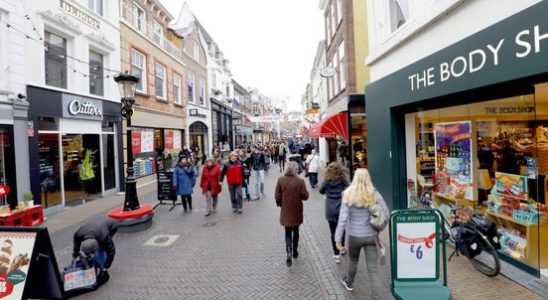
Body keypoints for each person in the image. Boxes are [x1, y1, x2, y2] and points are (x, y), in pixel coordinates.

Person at [335, 169, 389, 297]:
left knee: (353, 262)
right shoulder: (374, 194)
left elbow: (342, 219)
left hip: (354, 236)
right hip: (371, 236)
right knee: (373, 269)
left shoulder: (347, 194)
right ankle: (377, 296)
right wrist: (380, 227)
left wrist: (338, 239)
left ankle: (349, 282)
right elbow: (386, 214)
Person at [275, 161, 309, 267]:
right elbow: (305, 196)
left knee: (288, 231)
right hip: (296, 209)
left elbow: (277, 196)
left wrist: (281, 204)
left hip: (286, 209)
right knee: (296, 230)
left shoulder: (281, 180)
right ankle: (294, 251)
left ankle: (288, 253)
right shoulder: (300, 181)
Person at [319, 162, 349, 263]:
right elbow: (348, 189)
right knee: (342, 228)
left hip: (330, 209)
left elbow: (321, 191)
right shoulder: (342, 179)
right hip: (341, 207)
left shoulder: (327, 181)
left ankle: (336, 254)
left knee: (333, 232)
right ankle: (342, 247)